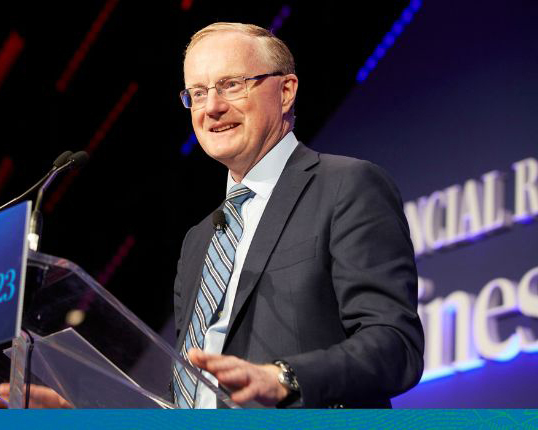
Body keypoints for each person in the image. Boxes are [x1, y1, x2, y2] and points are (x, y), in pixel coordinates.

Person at [171, 22, 424, 409]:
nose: (212, 108)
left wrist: (285, 377)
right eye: (198, 93)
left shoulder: (346, 186)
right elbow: (185, 382)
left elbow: (395, 344)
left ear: (286, 91)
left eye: (231, 85)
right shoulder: (198, 240)